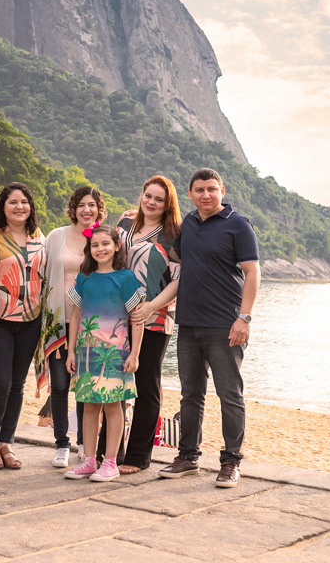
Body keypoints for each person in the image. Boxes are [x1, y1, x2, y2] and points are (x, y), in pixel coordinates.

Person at [131, 167, 259, 487]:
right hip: (188, 324)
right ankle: (188, 456)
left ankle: (230, 461)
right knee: (191, 395)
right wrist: (134, 217)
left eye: (211, 189)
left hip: (225, 325)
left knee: (230, 395)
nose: (206, 195)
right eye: (199, 190)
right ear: (190, 194)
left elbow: (252, 273)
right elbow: (166, 242)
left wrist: (244, 318)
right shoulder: (187, 223)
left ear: (222, 191)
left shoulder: (238, 225)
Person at [63, 225, 143, 482]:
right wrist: (71, 351)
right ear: (89, 249)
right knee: (88, 404)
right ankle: (88, 460)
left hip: (115, 352)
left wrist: (135, 354)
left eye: (106, 244)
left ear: (117, 246)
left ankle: (110, 462)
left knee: (112, 404)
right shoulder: (84, 277)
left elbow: (137, 319)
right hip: (86, 352)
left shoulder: (126, 277)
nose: (100, 249)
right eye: (95, 245)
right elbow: (76, 315)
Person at [117, 175, 182, 474]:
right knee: (114, 384)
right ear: (141, 195)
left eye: (159, 199)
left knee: (146, 385)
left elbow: (179, 280)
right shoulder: (125, 224)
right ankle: (110, 452)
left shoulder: (173, 236)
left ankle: (138, 457)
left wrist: (151, 306)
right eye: (148, 195)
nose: (152, 202)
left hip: (154, 317)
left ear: (168, 205)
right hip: (116, 315)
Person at [0, 182, 44, 471]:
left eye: (24, 202)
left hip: (31, 321)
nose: (19, 207)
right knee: (1, 384)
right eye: (13, 202)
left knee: (17, 385)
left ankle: (7, 443)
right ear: (2, 206)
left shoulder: (38, 235)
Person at [38, 185, 106, 468]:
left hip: (91, 324)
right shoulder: (56, 236)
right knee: (60, 384)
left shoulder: (103, 238)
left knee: (84, 385)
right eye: (81, 205)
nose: (86, 210)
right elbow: (39, 272)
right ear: (73, 209)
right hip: (58, 321)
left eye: (92, 205)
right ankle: (61, 444)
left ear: (99, 209)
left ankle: (83, 443)